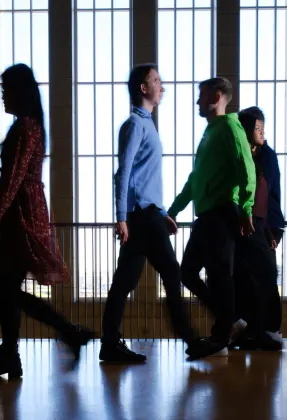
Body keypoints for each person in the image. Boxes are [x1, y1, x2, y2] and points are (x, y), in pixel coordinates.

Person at [0, 64, 92, 379]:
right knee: (8, 287)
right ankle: (15, 353)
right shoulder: (32, 126)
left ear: (18, 91)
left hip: (21, 216)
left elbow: (11, 179)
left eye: (5, 90)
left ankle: (63, 333)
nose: (2, 96)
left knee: (7, 287)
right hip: (26, 212)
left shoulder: (24, 128)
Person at [100, 64, 221, 363]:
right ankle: (192, 340)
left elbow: (147, 176)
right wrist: (121, 217)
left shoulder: (147, 124)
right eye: (156, 80)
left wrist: (164, 211)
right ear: (143, 88)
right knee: (171, 272)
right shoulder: (135, 124)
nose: (162, 86)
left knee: (125, 281)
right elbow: (123, 173)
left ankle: (109, 343)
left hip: (148, 213)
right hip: (142, 216)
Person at [166, 77, 256, 353]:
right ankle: (232, 322)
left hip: (222, 213)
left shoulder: (230, 127)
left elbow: (247, 169)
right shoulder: (209, 134)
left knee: (219, 276)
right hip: (206, 216)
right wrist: (173, 210)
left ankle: (221, 337)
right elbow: (195, 180)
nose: (197, 101)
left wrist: (246, 209)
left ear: (216, 97)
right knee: (188, 273)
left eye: (201, 95)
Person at [236, 106, 284, 348]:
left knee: (265, 276)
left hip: (266, 223)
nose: (262, 131)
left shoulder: (266, 156)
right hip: (255, 222)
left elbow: (267, 195)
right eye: (257, 127)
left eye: (263, 127)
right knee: (250, 276)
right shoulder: (247, 154)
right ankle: (255, 328)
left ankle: (268, 328)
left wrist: (270, 230)